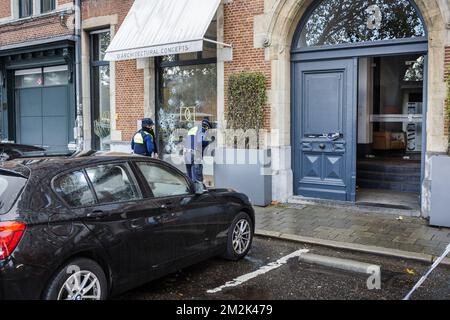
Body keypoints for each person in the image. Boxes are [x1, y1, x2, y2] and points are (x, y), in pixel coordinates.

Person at [184, 118, 213, 182]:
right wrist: (207, 142)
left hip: (187, 155)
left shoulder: (193, 129)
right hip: (195, 155)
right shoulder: (203, 129)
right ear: (207, 126)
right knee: (197, 180)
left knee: (189, 179)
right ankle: (198, 191)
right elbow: (200, 141)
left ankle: (191, 191)